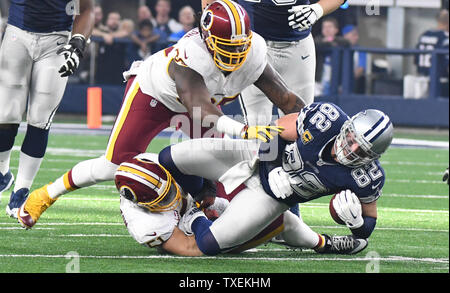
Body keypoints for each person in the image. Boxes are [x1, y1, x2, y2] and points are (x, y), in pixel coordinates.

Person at [17, 0, 304, 229]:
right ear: (206, 38)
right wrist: (242, 131)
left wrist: (318, 120)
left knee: (224, 176)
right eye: (226, 46)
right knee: (113, 166)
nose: (234, 54)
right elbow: (200, 109)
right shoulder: (191, 54)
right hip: (155, 95)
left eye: (239, 45)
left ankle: (203, 212)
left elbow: (287, 99)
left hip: (204, 108)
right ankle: (47, 193)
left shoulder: (254, 51)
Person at [158, 102, 394, 255]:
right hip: (252, 155)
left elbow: (368, 223)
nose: (351, 149)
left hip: (271, 198)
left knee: (208, 244)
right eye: (351, 138)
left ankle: (193, 214)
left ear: (373, 157)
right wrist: (272, 167)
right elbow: (275, 130)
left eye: (361, 151)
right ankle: (204, 196)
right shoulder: (327, 119)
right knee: (169, 158)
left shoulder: (367, 177)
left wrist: (357, 224)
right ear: (348, 127)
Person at [116, 153, 353, 256]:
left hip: (199, 206)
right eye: (165, 199)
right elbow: (194, 248)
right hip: (190, 231)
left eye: (171, 191)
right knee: (281, 221)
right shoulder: (148, 225)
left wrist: (205, 191)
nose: (174, 198)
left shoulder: (153, 164)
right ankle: (323, 243)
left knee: (249, 179)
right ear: (146, 205)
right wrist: (197, 218)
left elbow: (196, 164)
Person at [0, 0, 95, 216]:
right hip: (17, 34)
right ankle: (2, 173)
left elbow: (87, 8)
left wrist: (78, 43)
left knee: (40, 119)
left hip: (57, 40)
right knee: (5, 115)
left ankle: (21, 190)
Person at [415, 9, 449, 97]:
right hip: (439, 82)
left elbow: (416, 59)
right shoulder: (445, 38)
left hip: (420, 80)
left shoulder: (424, 34)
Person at [314, 17, 347, 96]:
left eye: (329, 27)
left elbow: (347, 43)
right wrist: (328, 42)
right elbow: (316, 43)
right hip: (318, 81)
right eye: (324, 27)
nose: (327, 29)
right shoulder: (318, 40)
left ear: (336, 30)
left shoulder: (340, 41)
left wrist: (332, 40)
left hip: (336, 82)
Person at [342, 24, 366, 94]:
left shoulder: (360, 50)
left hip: (353, 87)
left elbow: (360, 70)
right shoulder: (338, 48)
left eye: (357, 35)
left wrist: (344, 84)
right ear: (345, 35)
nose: (357, 37)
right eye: (354, 35)